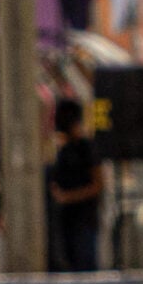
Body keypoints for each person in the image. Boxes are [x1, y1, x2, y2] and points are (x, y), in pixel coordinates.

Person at [46, 100, 104, 273]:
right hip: (66, 220)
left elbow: (98, 185)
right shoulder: (64, 150)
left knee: (85, 266)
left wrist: (68, 197)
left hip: (84, 219)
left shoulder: (87, 147)